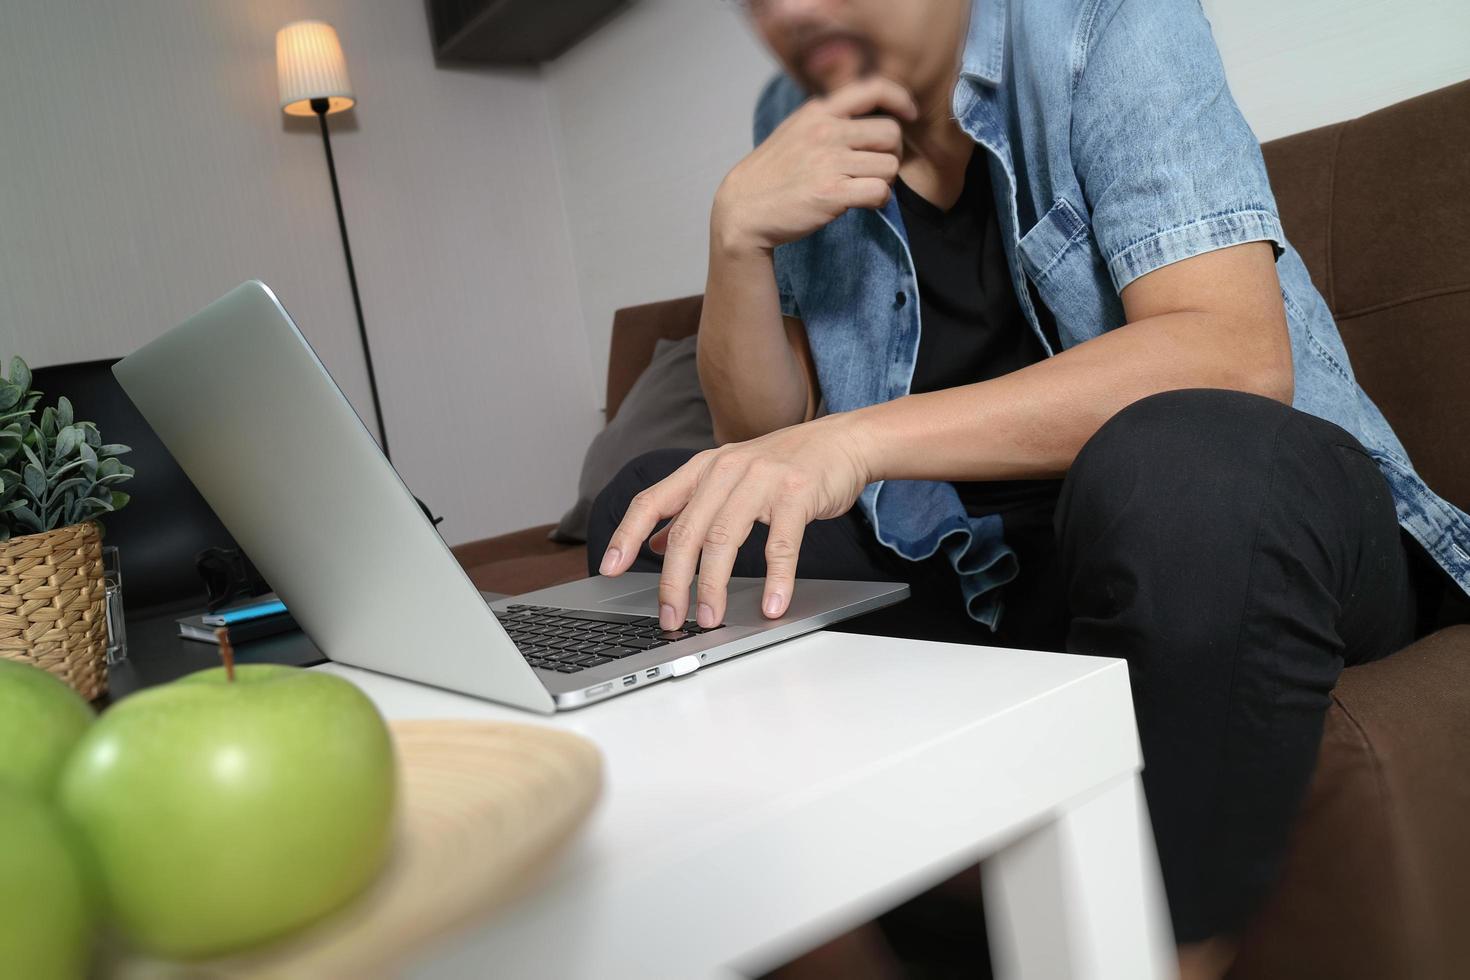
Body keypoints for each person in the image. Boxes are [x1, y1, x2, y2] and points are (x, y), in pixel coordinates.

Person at [586, 0, 1470, 975]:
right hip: (995, 572)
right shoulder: (793, 111)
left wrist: (858, 439)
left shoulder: (1105, 20)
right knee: (670, 517)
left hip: (1246, 526)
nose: (792, 10)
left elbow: (1231, 352)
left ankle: (1161, 953)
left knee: (1174, 474)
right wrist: (735, 239)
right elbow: (762, 448)